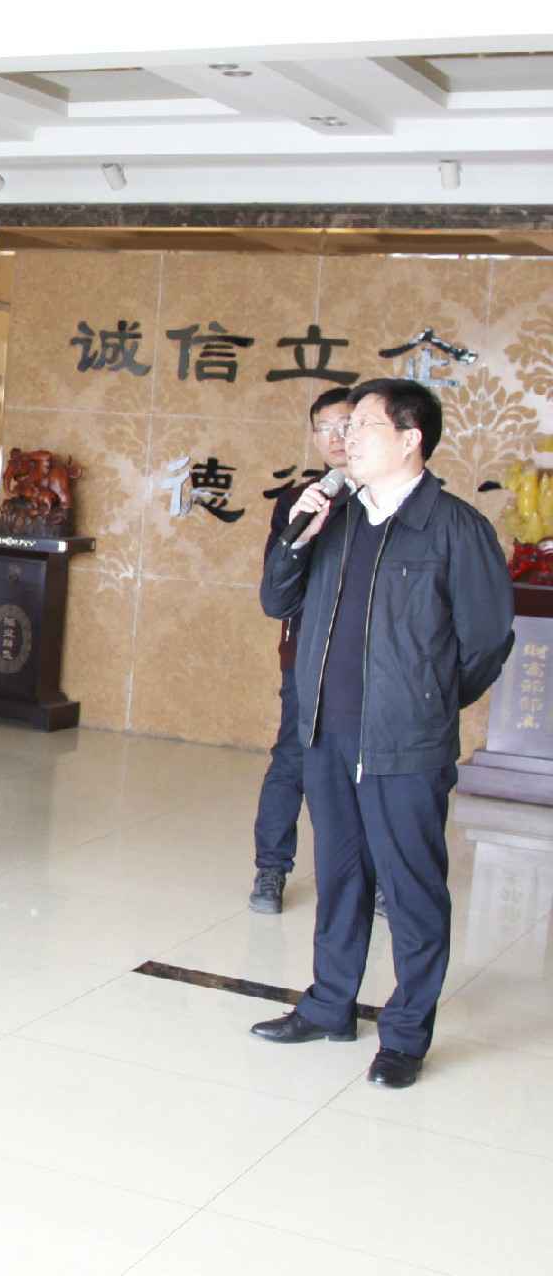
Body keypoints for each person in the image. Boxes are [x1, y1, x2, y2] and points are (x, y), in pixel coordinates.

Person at [252, 378, 513, 1089]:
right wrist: (295, 538)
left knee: (412, 888)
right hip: (326, 735)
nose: (347, 438)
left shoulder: (454, 527)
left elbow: (487, 640)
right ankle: (328, 1004)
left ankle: (404, 1034)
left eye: (364, 425)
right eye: (344, 426)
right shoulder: (331, 515)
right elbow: (276, 599)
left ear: (410, 439)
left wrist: (428, 703)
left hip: (405, 746)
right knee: (340, 877)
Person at [249, 387, 353, 915]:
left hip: (366, 661)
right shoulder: (299, 500)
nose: (335, 438)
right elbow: (276, 585)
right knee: (292, 757)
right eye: (323, 428)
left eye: (346, 425)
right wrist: (304, 531)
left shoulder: (386, 498)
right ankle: (271, 869)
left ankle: (374, 878)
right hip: (307, 654)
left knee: (364, 768)